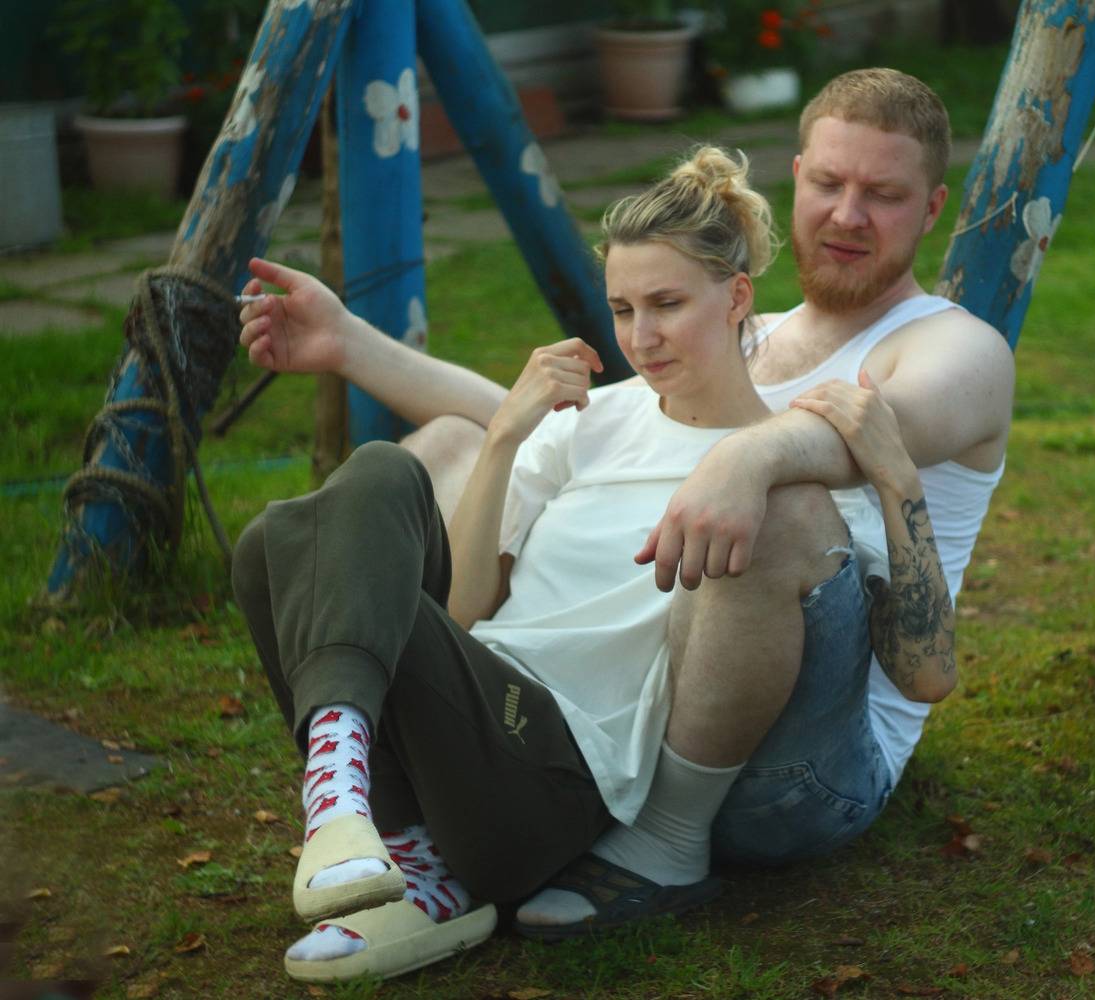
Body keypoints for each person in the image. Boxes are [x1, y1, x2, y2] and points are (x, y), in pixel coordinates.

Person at [233, 146, 957, 981]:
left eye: (667, 304)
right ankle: (378, 834)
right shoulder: (593, 422)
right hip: (468, 726)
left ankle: (375, 825)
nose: (641, 338)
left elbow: (927, 673)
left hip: (554, 772)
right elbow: (464, 614)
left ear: (736, 298)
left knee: (342, 506)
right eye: (621, 309)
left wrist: (898, 478)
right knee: (297, 532)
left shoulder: (793, 464)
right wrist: (505, 436)